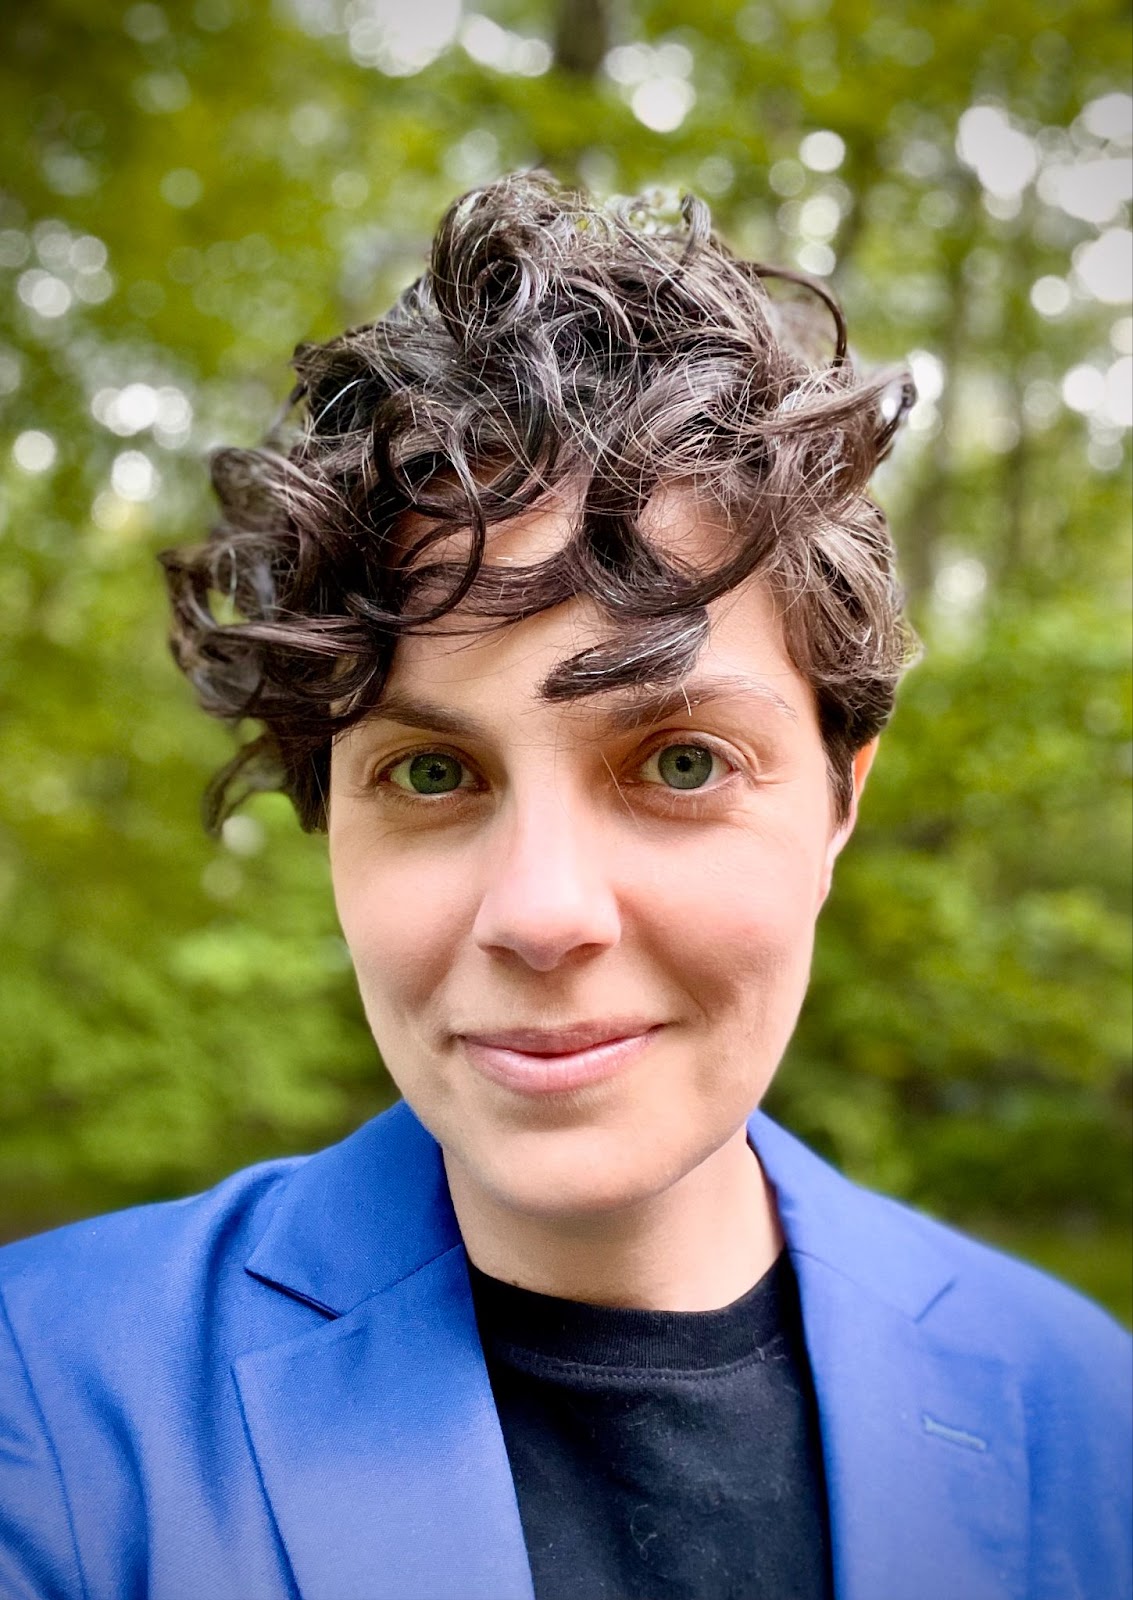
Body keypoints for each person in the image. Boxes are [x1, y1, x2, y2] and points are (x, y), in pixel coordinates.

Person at [0, 173, 1129, 1600]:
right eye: (431, 773)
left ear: (842, 798)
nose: (541, 913)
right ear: (329, 822)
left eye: (680, 764)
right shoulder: (44, 1407)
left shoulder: (1085, 1416)